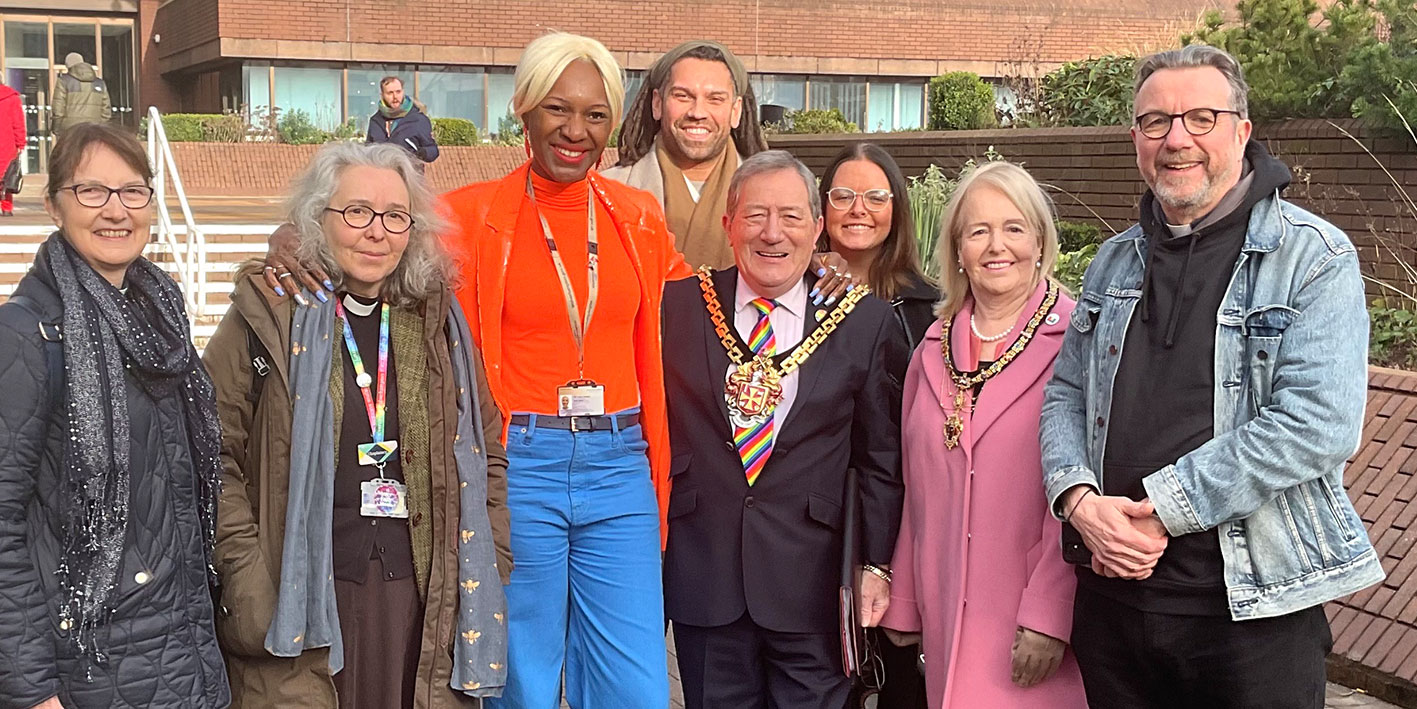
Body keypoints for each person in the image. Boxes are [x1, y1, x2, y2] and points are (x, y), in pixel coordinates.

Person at [1040, 44, 1384, 709]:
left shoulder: (1312, 257)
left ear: (1241, 131)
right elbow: (1065, 394)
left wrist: (1163, 509)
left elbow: (1317, 424)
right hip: (1113, 602)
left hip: (1247, 614)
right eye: (1154, 122)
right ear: (1134, 138)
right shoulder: (1112, 262)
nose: (1176, 139)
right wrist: (1078, 501)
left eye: (1200, 117)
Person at [205, 141, 510, 708]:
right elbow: (209, 452)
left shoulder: (437, 320)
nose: (377, 232)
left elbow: (487, 446)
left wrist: (492, 549)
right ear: (316, 220)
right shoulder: (270, 311)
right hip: (298, 590)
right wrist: (245, 574)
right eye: (356, 212)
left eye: (396, 216)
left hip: (420, 597)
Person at [438, 32, 690, 707]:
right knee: (518, 671)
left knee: (635, 680)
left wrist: (824, 276)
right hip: (520, 461)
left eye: (595, 113)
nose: (576, 131)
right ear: (522, 110)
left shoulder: (636, 217)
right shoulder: (465, 216)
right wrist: (294, 246)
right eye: (557, 109)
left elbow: (708, 309)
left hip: (619, 461)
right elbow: (365, 240)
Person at [660, 149, 907, 708]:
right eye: (755, 216)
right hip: (707, 575)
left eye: (792, 217)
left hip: (814, 583)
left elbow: (880, 460)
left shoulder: (864, 321)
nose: (773, 234)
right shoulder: (677, 308)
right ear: (728, 225)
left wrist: (876, 566)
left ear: (817, 228)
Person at [0, 122, 229, 707]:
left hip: (182, 643)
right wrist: (30, 691)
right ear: (53, 206)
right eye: (91, 191)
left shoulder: (162, 321)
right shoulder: (27, 335)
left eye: (133, 191)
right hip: (89, 663)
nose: (116, 211)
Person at [880, 161, 1087, 709]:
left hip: (1026, 624)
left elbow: (1084, 490)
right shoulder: (930, 348)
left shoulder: (1078, 342)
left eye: (1014, 228)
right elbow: (914, 486)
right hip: (945, 614)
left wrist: (1049, 613)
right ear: (957, 251)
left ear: (1041, 241)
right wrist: (904, 596)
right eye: (978, 231)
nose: (998, 246)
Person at [817, 141, 932, 707]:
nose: (858, 208)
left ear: (897, 208)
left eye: (875, 196)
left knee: (897, 667)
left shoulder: (928, 307)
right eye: (843, 195)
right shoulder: (794, 293)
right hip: (820, 514)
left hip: (907, 510)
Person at [604, 40, 769, 269]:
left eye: (715, 99)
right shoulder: (609, 191)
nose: (697, 112)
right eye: (682, 96)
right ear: (657, 103)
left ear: (735, 110)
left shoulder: (772, 194)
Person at [366, 76, 439, 168]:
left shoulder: (418, 119)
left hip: (409, 176)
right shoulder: (375, 121)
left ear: (403, 92)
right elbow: (368, 151)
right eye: (390, 93)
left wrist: (421, 154)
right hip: (382, 176)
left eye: (398, 92)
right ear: (382, 95)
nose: (395, 97)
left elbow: (432, 149)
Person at [51, 52, 112, 136]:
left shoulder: (63, 81)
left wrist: (57, 129)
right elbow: (106, 111)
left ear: (68, 66)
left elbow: (58, 109)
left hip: (70, 129)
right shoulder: (100, 83)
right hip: (93, 129)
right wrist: (100, 127)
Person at [1, 81, 23, 216]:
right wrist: (20, 143)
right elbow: (18, 122)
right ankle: (7, 207)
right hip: (7, 143)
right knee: (8, 175)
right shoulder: (12, 99)